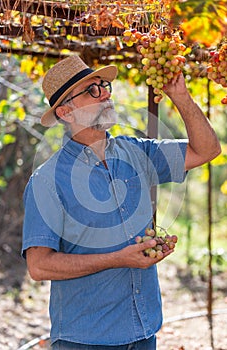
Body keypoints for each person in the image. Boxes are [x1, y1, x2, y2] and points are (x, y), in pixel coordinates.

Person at [22, 55, 221, 350]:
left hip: (144, 332)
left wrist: (180, 95)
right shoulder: (47, 180)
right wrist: (118, 259)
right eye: (92, 90)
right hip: (85, 340)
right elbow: (39, 267)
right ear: (66, 113)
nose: (105, 94)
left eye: (104, 86)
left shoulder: (135, 152)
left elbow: (207, 150)